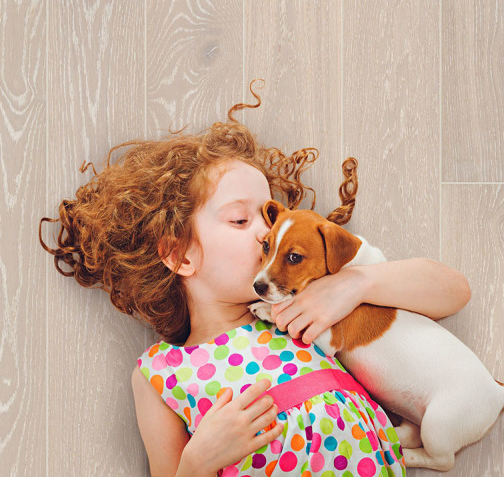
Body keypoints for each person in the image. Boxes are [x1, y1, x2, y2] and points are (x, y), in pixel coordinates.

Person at [39, 79, 470, 477]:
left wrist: (356, 284)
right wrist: (197, 461)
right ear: (179, 255)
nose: (267, 231)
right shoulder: (162, 373)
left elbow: (453, 290)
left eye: (268, 214)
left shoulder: (308, 301)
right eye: (241, 219)